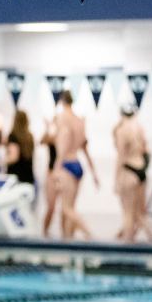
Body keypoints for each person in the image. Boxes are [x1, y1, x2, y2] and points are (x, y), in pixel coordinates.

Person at [49, 91, 99, 240]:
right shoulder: (79, 119)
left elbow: (64, 140)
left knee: (67, 209)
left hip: (66, 164)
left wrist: (57, 167)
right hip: (77, 164)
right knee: (68, 210)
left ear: (60, 102)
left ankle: (90, 235)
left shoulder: (62, 118)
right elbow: (85, 147)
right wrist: (94, 173)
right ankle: (67, 241)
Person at [113, 105, 152, 243]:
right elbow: (147, 153)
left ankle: (126, 251)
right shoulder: (140, 128)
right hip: (141, 171)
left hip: (129, 171)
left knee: (128, 214)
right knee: (140, 215)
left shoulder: (122, 130)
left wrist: (116, 180)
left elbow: (121, 157)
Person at [5, 109, 35, 190]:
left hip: (16, 178)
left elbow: (14, 156)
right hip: (28, 177)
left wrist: (1, 161)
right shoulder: (29, 137)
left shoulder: (13, 136)